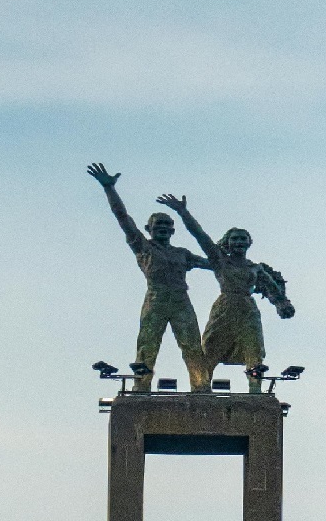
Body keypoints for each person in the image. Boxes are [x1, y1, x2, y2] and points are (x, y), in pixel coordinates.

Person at [87, 163, 212, 392]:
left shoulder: (182, 253)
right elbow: (122, 218)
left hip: (181, 300)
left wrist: (184, 213)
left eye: (167, 224)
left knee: (192, 346)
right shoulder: (143, 246)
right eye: (158, 224)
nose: (163, 228)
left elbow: (215, 263)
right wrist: (109, 189)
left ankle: (201, 388)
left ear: (173, 230)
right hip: (156, 298)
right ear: (149, 228)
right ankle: (141, 386)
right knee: (147, 345)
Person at [155, 193, 294, 393]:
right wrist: (183, 212)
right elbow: (200, 235)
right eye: (235, 239)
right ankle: (201, 388)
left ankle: (255, 390)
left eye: (243, 239)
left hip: (248, 310)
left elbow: (273, 289)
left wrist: (283, 304)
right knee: (210, 349)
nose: (239, 242)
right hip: (225, 307)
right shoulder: (219, 260)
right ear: (227, 243)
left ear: (249, 242)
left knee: (254, 350)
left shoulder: (255, 268)